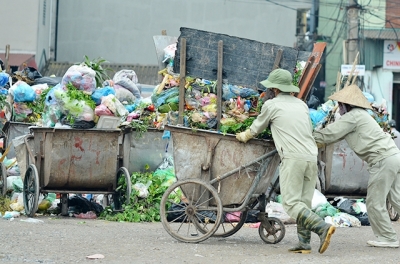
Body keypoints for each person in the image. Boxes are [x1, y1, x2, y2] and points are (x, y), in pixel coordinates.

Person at [236, 68, 336, 254]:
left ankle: (322, 228)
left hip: (293, 158)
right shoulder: (301, 105)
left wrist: (242, 136)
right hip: (310, 157)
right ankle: (304, 243)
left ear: (274, 89)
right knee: (303, 203)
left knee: (291, 204)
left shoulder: (271, 106)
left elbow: (255, 129)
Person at [313, 84, 400, 248]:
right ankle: (387, 236)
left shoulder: (352, 117)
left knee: (375, 201)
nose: (338, 108)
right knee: (397, 198)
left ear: (347, 105)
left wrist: (306, 138)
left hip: (382, 160)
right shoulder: (361, 115)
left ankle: (387, 238)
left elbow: (328, 135)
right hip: (393, 156)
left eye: (340, 105)